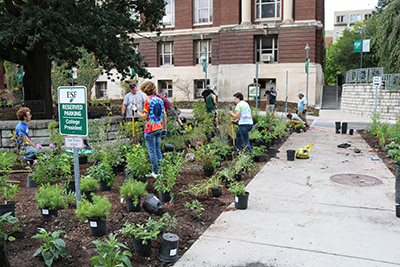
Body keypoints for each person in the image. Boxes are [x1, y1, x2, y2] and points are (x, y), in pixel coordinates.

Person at [134, 81, 167, 176]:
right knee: (158, 150)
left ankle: (155, 172)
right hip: (159, 128)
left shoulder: (147, 101)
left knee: (152, 151)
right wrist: (164, 129)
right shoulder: (160, 100)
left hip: (150, 129)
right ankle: (160, 171)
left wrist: (135, 110)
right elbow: (164, 115)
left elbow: (144, 117)